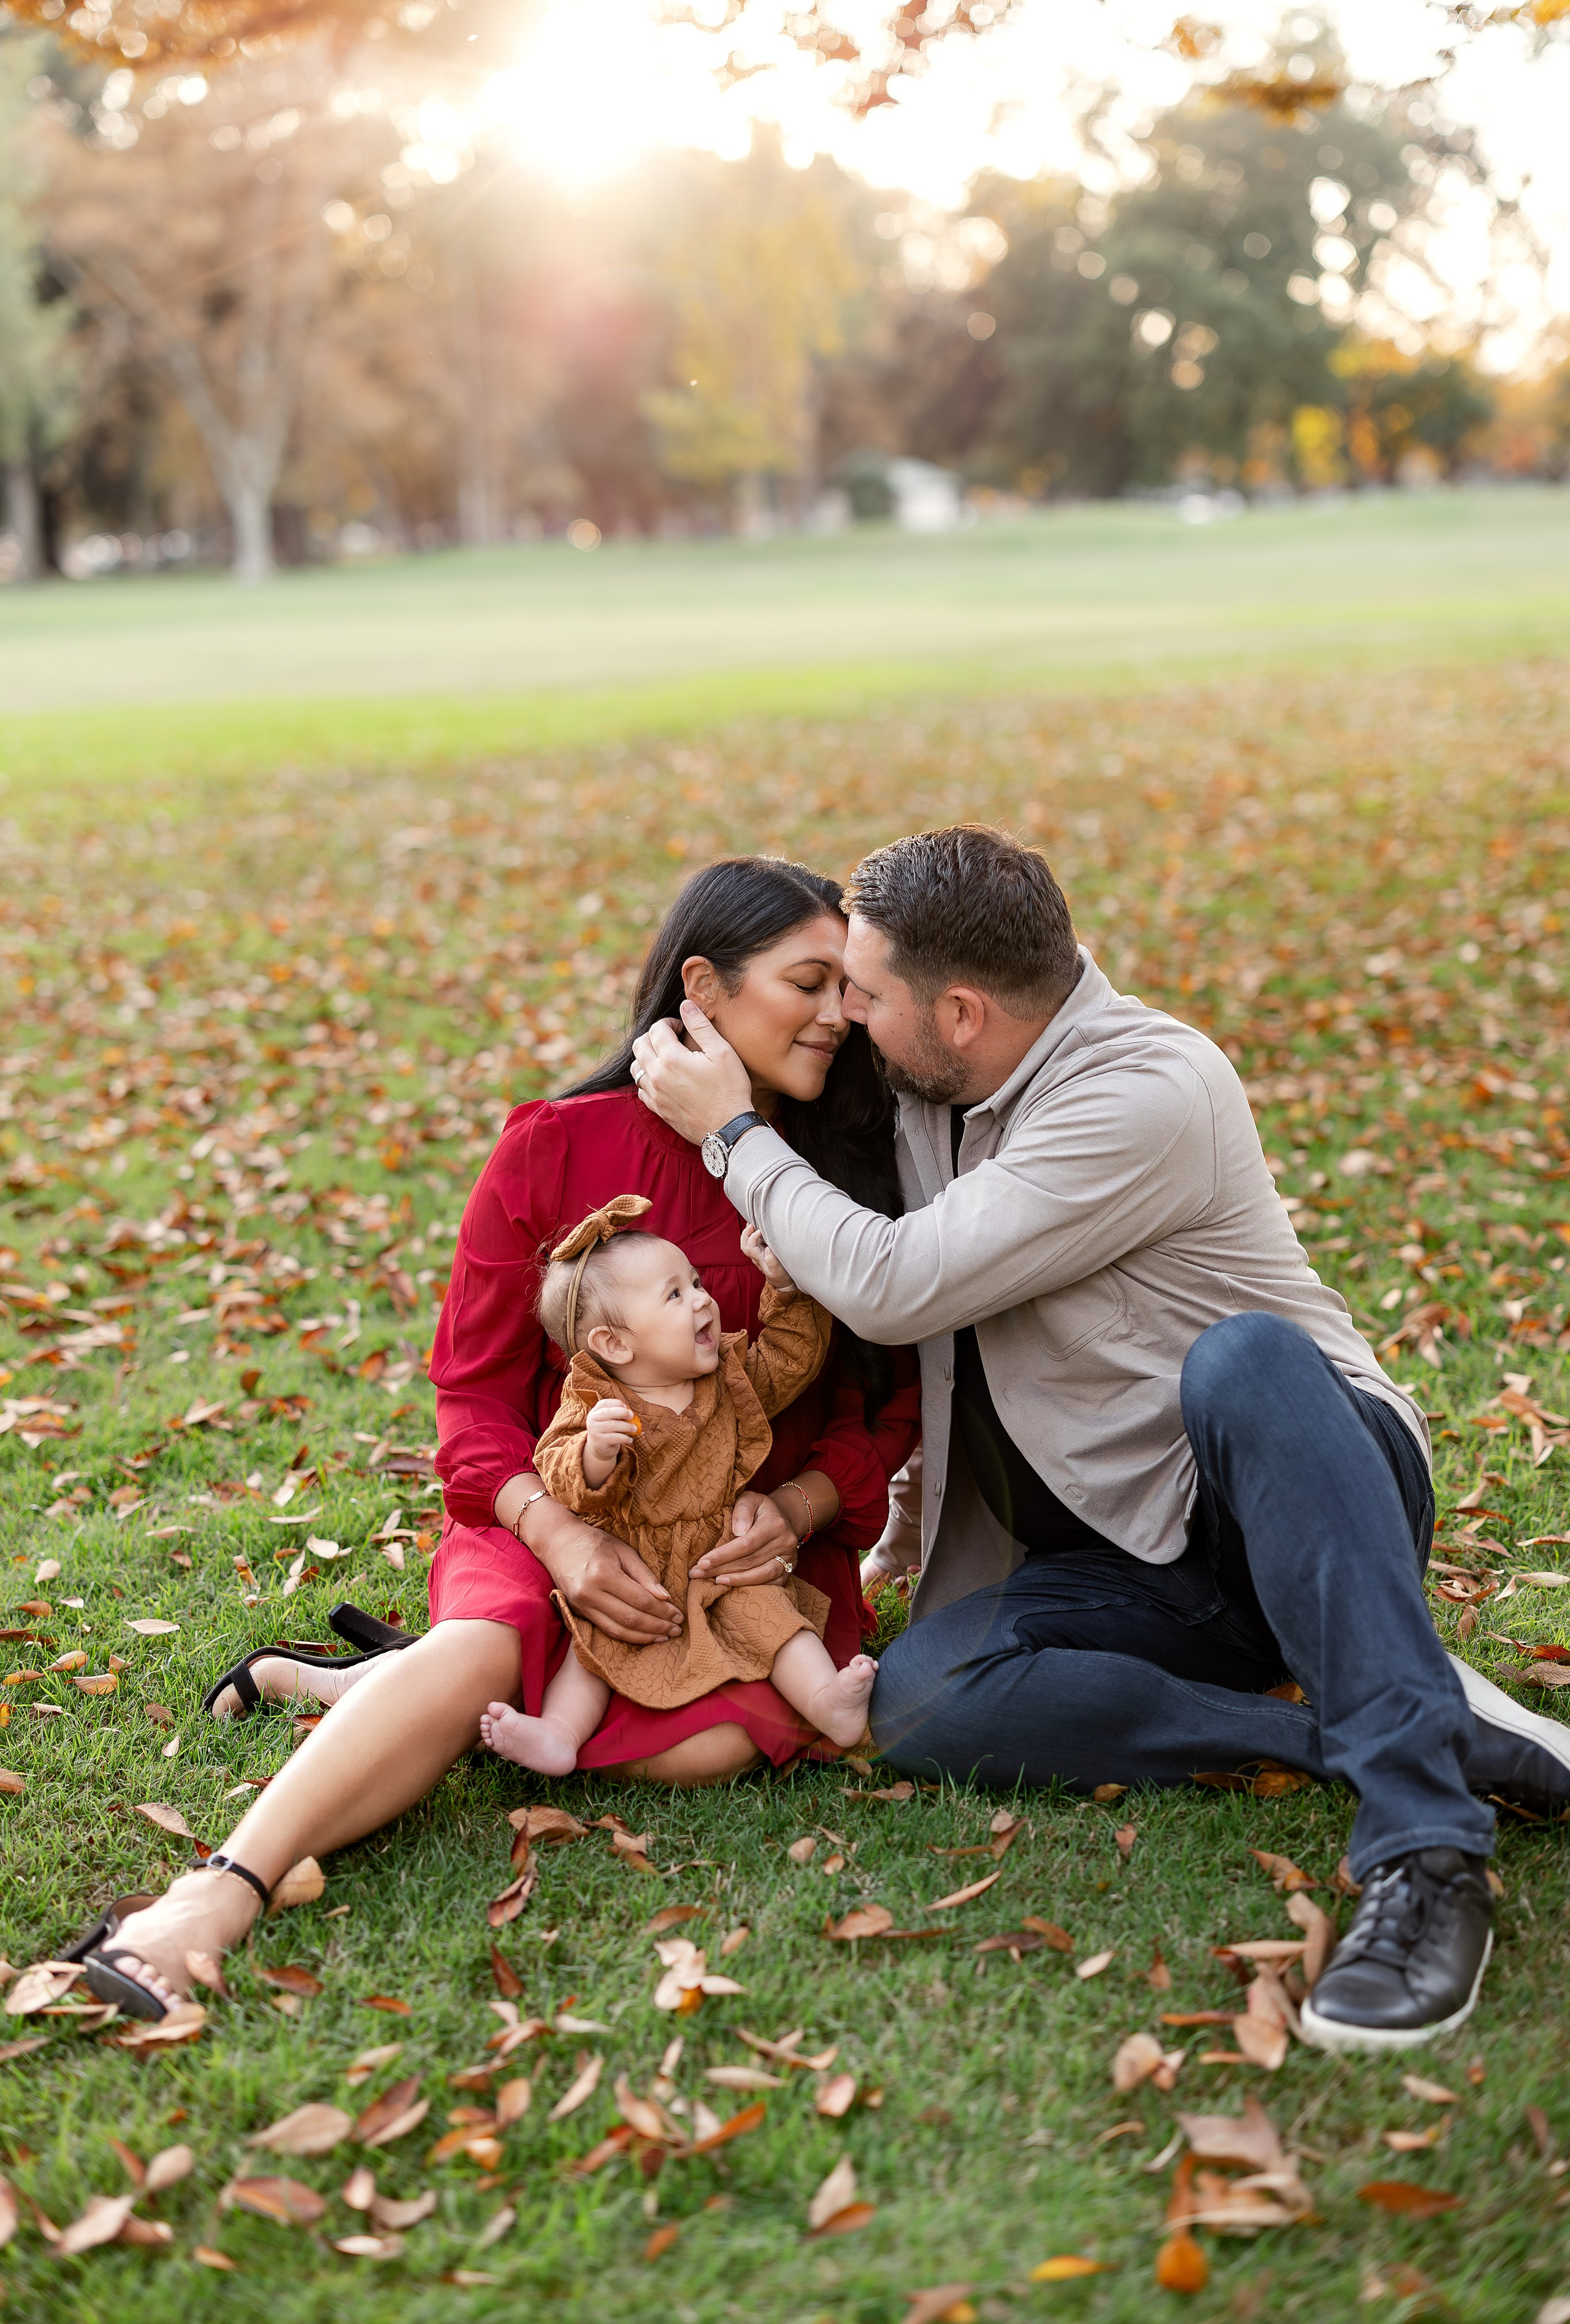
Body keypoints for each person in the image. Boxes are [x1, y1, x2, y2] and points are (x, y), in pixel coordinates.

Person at [632, 822, 1570, 2055]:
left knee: (1244, 1358)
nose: (847, 1014)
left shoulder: (1144, 1090)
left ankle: (1424, 1852)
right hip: (1133, 1557)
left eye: (863, 991)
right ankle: (1378, 1716)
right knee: (920, 1703)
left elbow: (902, 1285)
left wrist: (732, 1135)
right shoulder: (940, 1081)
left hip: (1302, 1477)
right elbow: (938, 1350)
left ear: (960, 1011)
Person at [67, 857, 917, 2020]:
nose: (839, 1016)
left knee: (700, 1751)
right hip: (561, 1510)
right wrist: (560, 1540)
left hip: (740, 1561)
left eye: (848, 991)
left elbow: (892, 1405)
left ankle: (373, 1691)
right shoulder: (558, 1149)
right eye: (808, 983)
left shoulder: (855, 1165)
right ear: (704, 992)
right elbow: (472, 1401)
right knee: (488, 1647)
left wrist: (805, 1508)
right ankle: (211, 1897)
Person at [479, 1198, 878, 1775]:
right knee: (595, 1649)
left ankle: (828, 1703)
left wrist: (787, 1292)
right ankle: (559, 1736)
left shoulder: (728, 1379)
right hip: (635, 1569)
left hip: (719, 1558)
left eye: (695, 1282)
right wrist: (596, 1451)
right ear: (615, 1344)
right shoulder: (595, 1399)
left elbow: (790, 1362)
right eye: (676, 1294)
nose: (702, 1300)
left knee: (775, 1621)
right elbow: (559, 1471)